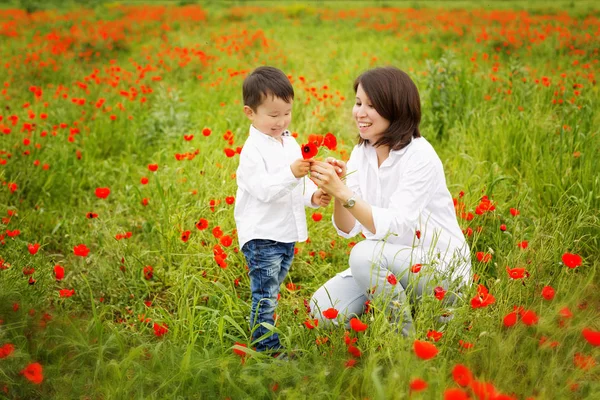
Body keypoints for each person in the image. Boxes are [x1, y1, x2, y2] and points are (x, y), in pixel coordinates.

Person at [309, 66, 471, 335]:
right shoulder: (362, 152)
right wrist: (341, 190)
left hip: (439, 270)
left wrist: (343, 191)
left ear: (395, 110)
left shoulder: (420, 156)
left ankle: (402, 340)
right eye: (358, 102)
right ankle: (403, 304)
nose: (360, 112)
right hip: (383, 264)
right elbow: (347, 228)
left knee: (362, 255)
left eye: (371, 106)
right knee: (323, 309)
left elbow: (395, 225)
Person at [235, 66, 331, 353]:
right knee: (264, 295)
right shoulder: (252, 152)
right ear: (250, 113)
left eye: (287, 112)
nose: (281, 120)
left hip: (284, 234)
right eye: (273, 115)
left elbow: (293, 189)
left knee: (271, 291)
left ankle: (261, 339)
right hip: (262, 235)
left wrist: (313, 197)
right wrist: (292, 172)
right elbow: (265, 190)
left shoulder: (290, 142)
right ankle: (266, 349)